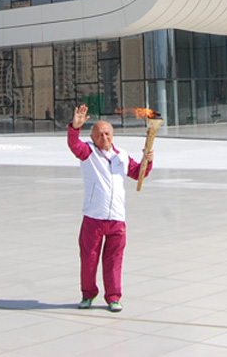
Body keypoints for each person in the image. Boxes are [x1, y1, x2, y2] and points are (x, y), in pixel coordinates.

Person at [67, 104, 154, 313]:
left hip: (116, 218)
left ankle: (113, 297)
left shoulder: (121, 156)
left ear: (112, 135)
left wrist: (147, 162)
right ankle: (88, 294)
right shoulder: (88, 153)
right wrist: (75, 128)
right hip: (93, 217)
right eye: (99, 134)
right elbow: (74, 145)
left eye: (107, 133)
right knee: (89, 258)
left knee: (114, 260)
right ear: (93, 137)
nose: (103, 137)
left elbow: (137, 173)